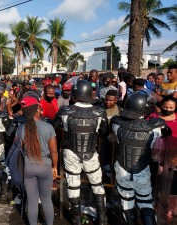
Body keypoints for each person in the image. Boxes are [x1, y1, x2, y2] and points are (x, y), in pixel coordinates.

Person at [55, 80, 108, 225]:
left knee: (73, 185)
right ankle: (103, 219)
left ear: (75, 94)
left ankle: (76, 219)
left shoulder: (65, 111)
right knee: (97, 185)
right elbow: (104, 133)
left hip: (71, 153)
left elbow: (54, 127)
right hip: (91, 153)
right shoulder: (99, 112)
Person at [111, 91, 168, 225]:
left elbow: (117, 119)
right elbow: (166, 131)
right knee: (145, 202)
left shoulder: (117, 124)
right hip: (142, 170)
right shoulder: (156, 127)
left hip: (122, 169)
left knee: (127, 202)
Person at [18, 96, 58, 225]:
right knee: (46, 199)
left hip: (28, 167)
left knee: (32, 200)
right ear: (36, 109)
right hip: (45, 166)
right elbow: (54, 151)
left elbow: (17, 149)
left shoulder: (21, 128)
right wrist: (55, 167)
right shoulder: (48, 127)